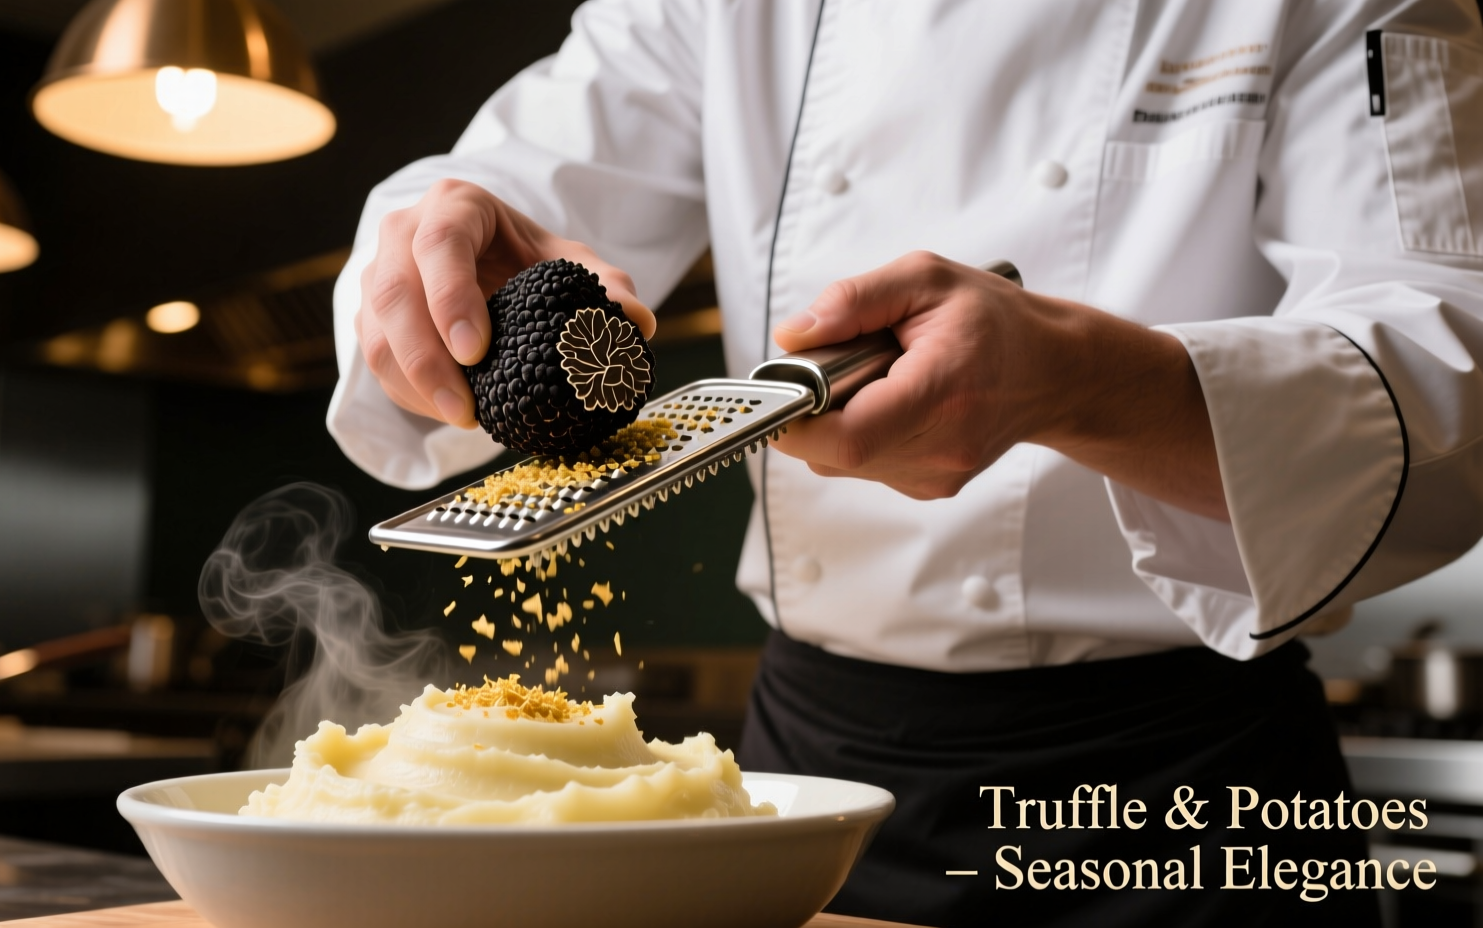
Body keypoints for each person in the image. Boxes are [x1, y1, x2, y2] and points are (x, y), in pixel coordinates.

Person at [327, 2, 1483, 925]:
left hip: (1182, 797)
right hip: (801, 777)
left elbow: (1447, 379)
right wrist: (437, 262)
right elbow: (490, 191)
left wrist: (1082, 382)